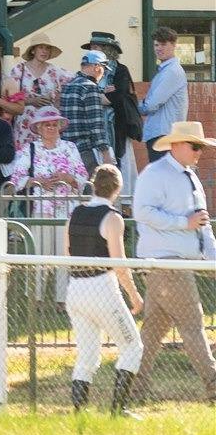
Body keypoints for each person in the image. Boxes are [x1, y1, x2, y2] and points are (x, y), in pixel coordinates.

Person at [133, 119, 216, 398]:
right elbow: (142, 212)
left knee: (153, 332)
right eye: (195, 146)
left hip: (175, 264)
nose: (198, 153)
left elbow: (202, 223)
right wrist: (183, 223)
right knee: (192, 323)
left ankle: (133, 385)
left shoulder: (190, 176)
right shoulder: (155, 174)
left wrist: (212, 257)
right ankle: (213, 383)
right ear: (177, 145)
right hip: (166, 263)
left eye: (201, 148)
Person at [66, 164, 144, 413]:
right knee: (132, 346)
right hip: (101, 288)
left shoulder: (75, 213)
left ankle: (79, 412)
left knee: (87, 354)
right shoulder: (112, 218)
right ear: (117, 189)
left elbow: (67, 252)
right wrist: (135, 295)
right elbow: (118, 263)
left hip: (75, 288)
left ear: (94, 185)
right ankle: (118, 409)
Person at [139, 26, 188, 163]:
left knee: (164, 179)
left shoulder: (171, 71)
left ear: (173, 45)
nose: (159, 48)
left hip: (165, 135)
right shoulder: (166, 70)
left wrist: (131, 104)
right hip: (164, 134)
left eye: (163, 44)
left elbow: (151, 105)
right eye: (156, 44)